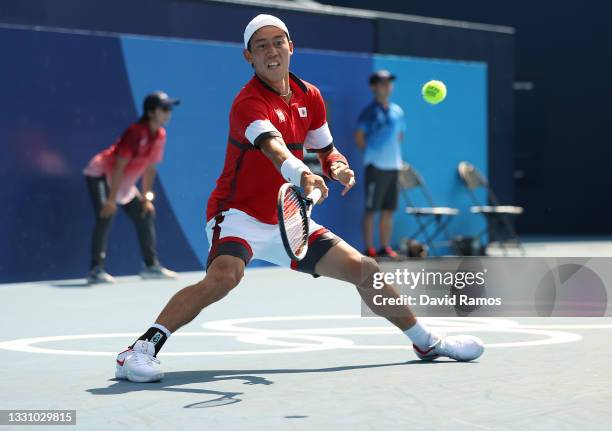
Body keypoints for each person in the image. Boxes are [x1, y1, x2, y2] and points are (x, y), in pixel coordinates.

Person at [114, 15, 484, 383]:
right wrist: (303, 175)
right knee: (225, 276)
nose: (271, 50)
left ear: (291, 47)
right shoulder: (247, 103)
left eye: (278, 41)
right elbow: (274, 149)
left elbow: (327, 150)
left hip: (287, 220)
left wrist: (337, 168)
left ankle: (426, 342)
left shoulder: (310, 96)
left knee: (365, 270)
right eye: (261, 45)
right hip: (237, 213)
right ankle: (140, 350)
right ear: (249, 57)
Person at [83, 92, 179, 284]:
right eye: (164, 109)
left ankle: (151, 266)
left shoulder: (160, 135)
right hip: (101, 175)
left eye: (170, 109)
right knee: (106, 214)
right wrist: (111, 200)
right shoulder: (135, 132)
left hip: (122, 183)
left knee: (145, 213)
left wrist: (146, 197)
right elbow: (119, 166)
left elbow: (150, 168)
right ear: (151, 112)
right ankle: (96, 270)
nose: (168, 113)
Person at [355, 71, 405, 259]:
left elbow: (400, 137)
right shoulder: (369, 113)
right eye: (382, 83)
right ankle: (369, 249)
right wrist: (374, 156)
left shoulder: (398, 112)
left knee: (388, 210)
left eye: (389, 83)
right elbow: (359, 138)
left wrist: (394, 158)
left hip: (394, 168)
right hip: (375, 168)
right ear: (373, 87)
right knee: (371, 210)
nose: (386, 86)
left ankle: (384, 247)